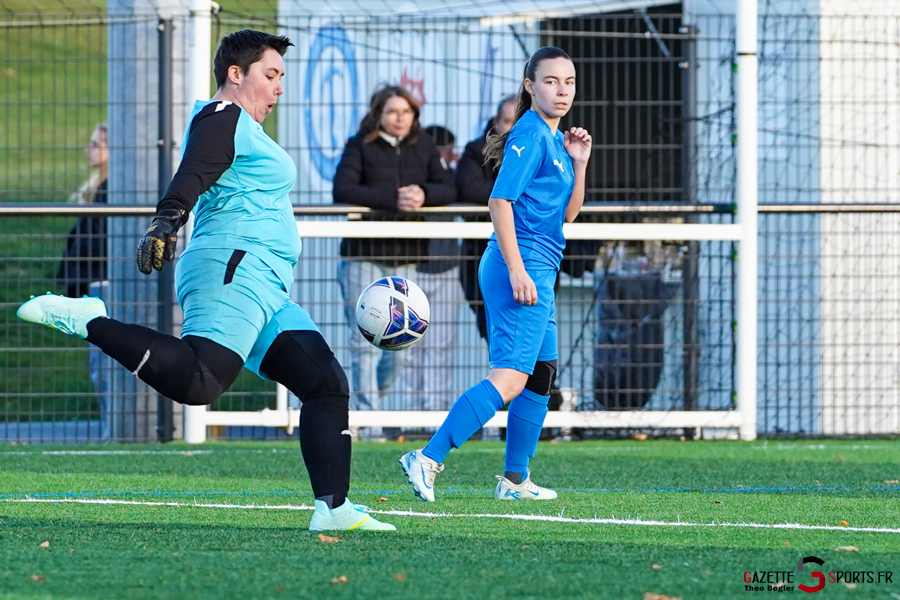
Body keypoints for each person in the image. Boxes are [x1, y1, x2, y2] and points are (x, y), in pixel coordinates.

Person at [17, 29, 395, 532]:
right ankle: (92, 320)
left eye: (282, 76)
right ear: (235, 75)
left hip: (263, 281)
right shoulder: (223, 117)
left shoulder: (247, 128)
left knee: (326, 384)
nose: (279, 88)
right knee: (200, 382)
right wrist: (167, 219)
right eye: (270, 75)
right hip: (232, 268)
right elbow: (193, 172)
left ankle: (333, 508)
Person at [399, 46, 592, 502]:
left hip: (538, 268)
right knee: (510, 378)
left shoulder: (556, 140)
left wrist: (580, 163)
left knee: (540, 374)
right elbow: (498, 202)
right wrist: (519, 269)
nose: (561, 90)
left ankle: (515, 480)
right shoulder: (528, 133)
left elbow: (568, 214)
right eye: (550, 81)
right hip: (518, 268)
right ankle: (426, 457)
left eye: (568, 82)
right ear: (530, 86)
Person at [333, 85, 456, 434]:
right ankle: (368, 428)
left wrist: (425, 194)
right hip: (363, 257)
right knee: (365, 346)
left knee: (399, 349)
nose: (400, 118)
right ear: (378, 115)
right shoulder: (360, 145)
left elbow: (449, 187)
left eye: (406, 111)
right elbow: (343, 189)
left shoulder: (425, 147)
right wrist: (392, 198)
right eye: (392, 111)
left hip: (406, 260)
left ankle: (364, 412)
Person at [397, 124, 466, 412]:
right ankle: (412, 411)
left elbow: (461, 197)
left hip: (447, 269)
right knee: (408, 346)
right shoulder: (413, 179)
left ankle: (435, 411)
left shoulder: (450, 181)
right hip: (413, 271)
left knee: (440, 346)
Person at [456, 96, 516, 341]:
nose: (514, 129)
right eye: (509, 121)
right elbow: (467, 189)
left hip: (532, 257)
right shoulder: (475, 151)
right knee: (496, 337)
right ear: (495, 122)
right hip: (481, 256)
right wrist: (517, 193)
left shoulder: (543, 148)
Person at [57, 123, 109, 298]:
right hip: (83, 276)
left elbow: (104, 238)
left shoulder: (108, 190)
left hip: (91, 278)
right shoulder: (98, 186)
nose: (88, 150)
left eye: (95, 145)